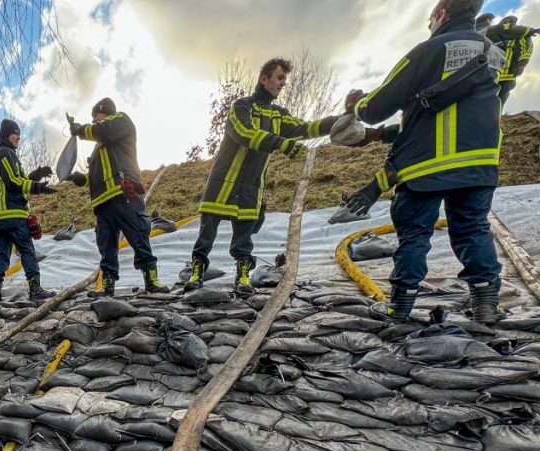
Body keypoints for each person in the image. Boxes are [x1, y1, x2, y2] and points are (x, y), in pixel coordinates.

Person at [347, 0, 504, 324]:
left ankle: (400, 310)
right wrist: (383, 136)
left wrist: (356, 106)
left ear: (441, 15)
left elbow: (377, 105)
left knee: (414, 235)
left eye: (430, 20)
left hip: (426, 165)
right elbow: (448, 110)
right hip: (479, 163)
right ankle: (486, 304)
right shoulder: (494, 54)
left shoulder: (429, 50)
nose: (430, 26)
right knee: (473, 229)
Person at [187, 59, 340, 294]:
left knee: (245, 235)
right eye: (279, 78)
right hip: (224, 179)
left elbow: (305, 128)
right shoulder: (241, 107)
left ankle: (243, 276)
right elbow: (245, 133)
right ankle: (197, 271)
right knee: (208, 230)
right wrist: (280, 143)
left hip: (252, 184)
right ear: (264, 78)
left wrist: (339, 121)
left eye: (284, 80)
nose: (283, 84)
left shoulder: (279, 115)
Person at [70, 97, 170, 295]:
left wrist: (81, 130)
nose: (94, 119)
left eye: (95, 115)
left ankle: (152, 280)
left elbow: (104, 131)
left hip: (124, 192)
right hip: (103, 201)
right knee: (106, 244)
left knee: (137, 234)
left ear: (104, 111)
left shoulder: (120, 121)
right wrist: (82, 179)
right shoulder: (99, 148)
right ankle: (106, 285)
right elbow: (97, 176)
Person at [0, 119, 56, 302]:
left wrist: (37, 174)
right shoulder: (5, 154)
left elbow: (19, 179)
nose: (18, 137)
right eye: (14, 133)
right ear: (5, 135)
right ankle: (35, 289)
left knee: (1, 253)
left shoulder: (3, 155)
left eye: (19, 134)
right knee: (27, 250)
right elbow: (14, 183)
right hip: (13, 213)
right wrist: (38, 187)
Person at [486, 15, 538, 106]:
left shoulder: (522, 36)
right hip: (492, 72)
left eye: (509, 21)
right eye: (505, 21)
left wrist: (522, 64)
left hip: (509, 73)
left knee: (501, 97)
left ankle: (496, 118)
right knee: (486, 96)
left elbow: (527, 49)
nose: (506, 23)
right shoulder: (493, 32)